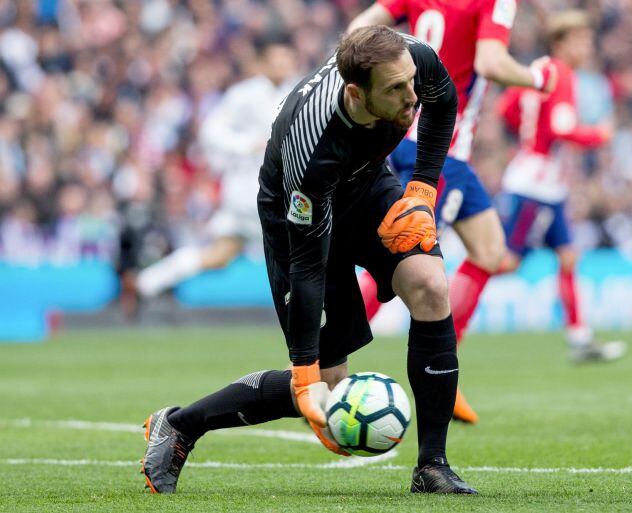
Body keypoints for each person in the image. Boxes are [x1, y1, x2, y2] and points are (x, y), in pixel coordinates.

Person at [141, 26, 478, 495]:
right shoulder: (312, 148)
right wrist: (304, 375)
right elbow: (308, 267)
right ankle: (181, 425)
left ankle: (433, 465)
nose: (411, 96)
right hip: (296, 217)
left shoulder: (411, 59)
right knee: (327, 384)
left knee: (430, 285)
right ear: (357, 94)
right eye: (396, 90)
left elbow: (443, 104)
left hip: (366, 186)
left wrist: (421, 190)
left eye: (410, 82)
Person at [348, 0, 556, 424]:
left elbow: (359, 29)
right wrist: (537, 77)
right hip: (440, 146)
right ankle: (322, 362)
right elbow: (491, 61)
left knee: (489, 249)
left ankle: (448, 372)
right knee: (398, 257)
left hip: (415, 138)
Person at [496, 10, 626, 361]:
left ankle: (580, 338)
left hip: (545, 184)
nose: (587, 46)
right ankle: (434, 294)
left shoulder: (538, 70)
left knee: (568, 256)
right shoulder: (563, 74)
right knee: (506, 262)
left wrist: (529, 133)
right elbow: (562, 129)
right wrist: (600, 134)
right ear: (561, 43)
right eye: (580, 39)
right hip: (535, 186)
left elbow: (505, 109)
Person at [135, 42, 298, 298]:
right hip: (249, 191)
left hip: (278, 189)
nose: (282, 66)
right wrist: (247, 144)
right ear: (263, 63)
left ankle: (145, 283)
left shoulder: (299, 92)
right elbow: (211, 130)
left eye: (286, 59)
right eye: (276, 60)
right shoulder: (244, 94)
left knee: (219, 255)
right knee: (304, 247)